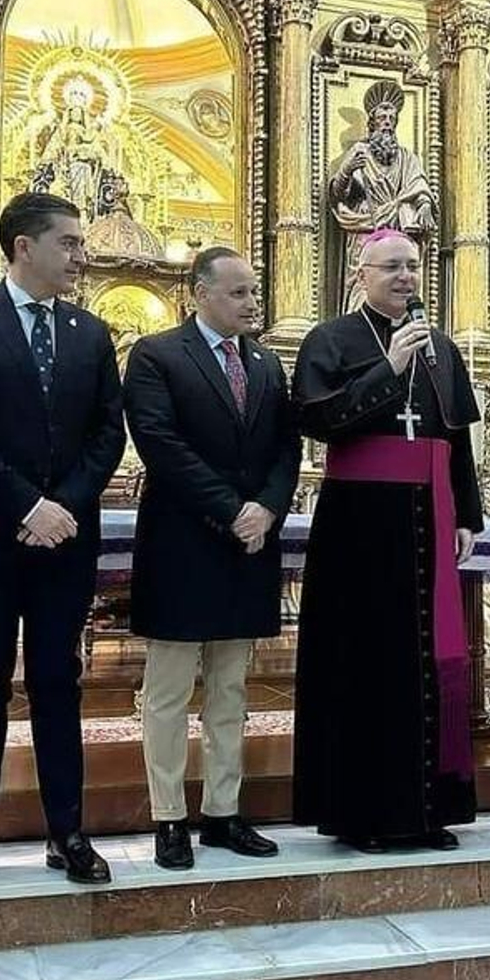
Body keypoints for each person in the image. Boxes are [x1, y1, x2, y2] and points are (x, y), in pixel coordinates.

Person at [0, 192, 125, 894]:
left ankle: (67, 832)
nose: (81, 254)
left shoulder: (91, 332)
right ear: (23, 248)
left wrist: (63, 506)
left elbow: (110, 434)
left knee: (57, 682)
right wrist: (27, 504)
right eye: (70, 242)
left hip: (64, 540)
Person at [291, 228, 484, 853]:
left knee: (430, 662)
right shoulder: (330, 339)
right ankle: (365, 814)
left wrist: (466, 517)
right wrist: (389, 365)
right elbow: (322, 421)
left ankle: (430, 812)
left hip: (429, 514)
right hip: (360, 524)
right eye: (392, 267)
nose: (405, 277)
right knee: (366, 663)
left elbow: (456, 440)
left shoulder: (442, 347)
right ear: (361, 272)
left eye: (413, 267)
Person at [123, 246, 301, 870]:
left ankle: (224, 812)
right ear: (200, 293)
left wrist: (268, 510)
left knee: (232, 690)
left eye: (255, 292)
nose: (254, 302)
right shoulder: (157, 356)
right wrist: (232, 509)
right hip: (183, 542)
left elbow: (287, 446)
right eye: (240, 293)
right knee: (169, 691)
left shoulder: (266, 362)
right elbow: (160, 444)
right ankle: (169, 816)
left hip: (248, 546)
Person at [327, 80, 437, 314]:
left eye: (391, 118)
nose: (387, 122)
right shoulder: (359, 152)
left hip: (399, 232)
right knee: (363, 284)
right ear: (372, 121)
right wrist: (347, 170)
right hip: (365, 229)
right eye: (382, 117)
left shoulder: (407, 158)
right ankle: (359, 330)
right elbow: (338, 194)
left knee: (403, 287)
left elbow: (419, 185)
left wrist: (425, 204)